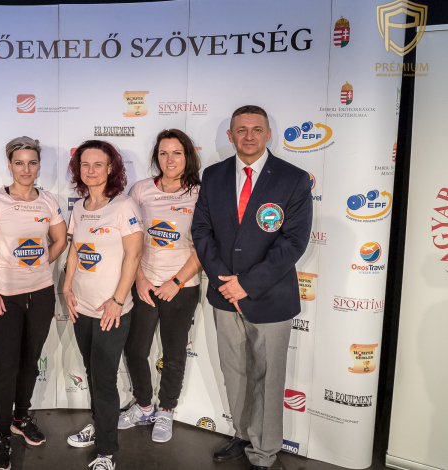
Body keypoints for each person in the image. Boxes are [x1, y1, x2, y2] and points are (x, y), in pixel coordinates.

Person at [191, 105, 312, 470]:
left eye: (256, 129)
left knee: (268, 377)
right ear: (230, 135)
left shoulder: (293, 179)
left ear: (268, 134)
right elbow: (201, 231)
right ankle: (243, 434)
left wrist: (247, 284)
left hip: (270, 296)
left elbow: (293, 241)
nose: (248, 136)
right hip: (224, 295)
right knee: (235, 371)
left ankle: (264, 451)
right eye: (241, 130)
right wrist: (224, 281)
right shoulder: (213, 175)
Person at [0, 137, 67, 470]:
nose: (26, 169)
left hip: (41, 293)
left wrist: (40, 263)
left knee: (30, 361)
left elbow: (60, 240)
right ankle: (2, 434)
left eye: (32, 163)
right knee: (6, 367)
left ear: (39, 165)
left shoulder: (48, 200)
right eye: (19, 163)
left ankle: (21, 417)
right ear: (10, 165)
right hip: (5, 296)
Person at [63, 140, 143, 470]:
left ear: (111, 168)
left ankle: (106, 452)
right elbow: (75, 250)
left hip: (111, 309)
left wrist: (118, 300)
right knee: (92, 374)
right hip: (81, 306)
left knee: (104, 379)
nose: (91, 170)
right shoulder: (80, 207)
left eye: (98, 164)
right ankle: (99, 425)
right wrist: (66, 286)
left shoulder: (124, 206)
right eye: (85, 164)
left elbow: (134, 255)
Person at [119, 129, 203, 442]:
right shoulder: (140, 190)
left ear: (187, 156)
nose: (170, 159)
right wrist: (139, 279)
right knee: (135, 349)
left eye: (177, 153)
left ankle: (166, 410)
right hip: (143, 284)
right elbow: (129, 239)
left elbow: (206, 246)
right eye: (163, 153)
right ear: (156, 157)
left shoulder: (200, 193)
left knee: (174, 352)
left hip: (182, 287)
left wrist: (177, 282)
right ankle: (144, 406)